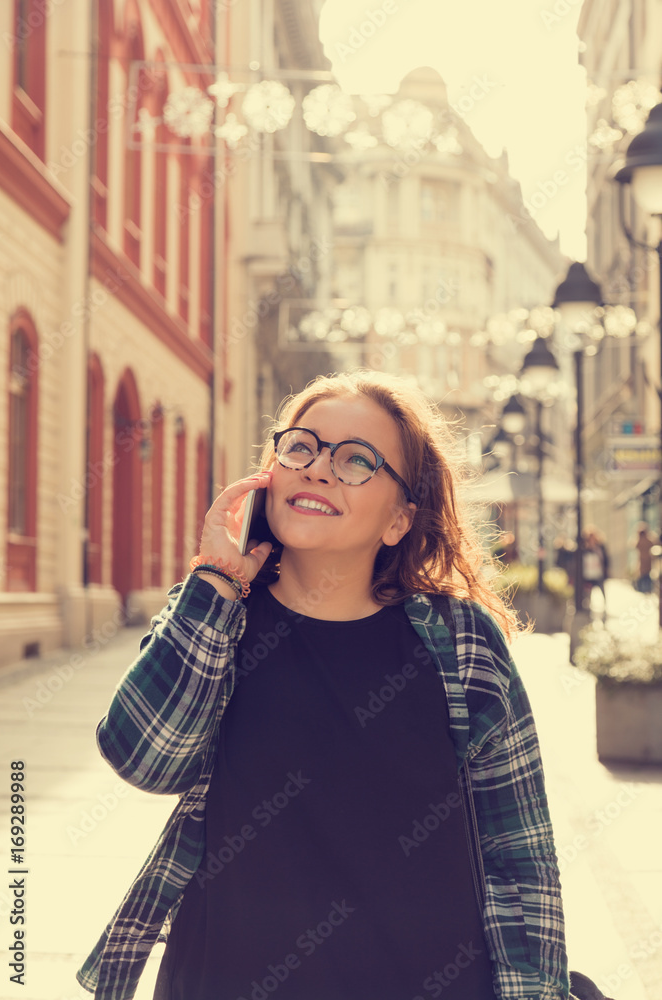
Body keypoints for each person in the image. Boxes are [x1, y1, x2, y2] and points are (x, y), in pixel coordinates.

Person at [77, 370, 570, 1000]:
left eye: (356, 459)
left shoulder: (460, 641)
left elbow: (521, 850)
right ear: (271, 473)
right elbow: (143, 760)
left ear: (398, 520)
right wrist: (218, 581)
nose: (317, 468)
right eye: (302, 447)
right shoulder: (216, 616)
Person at [633, 522, 657, 593]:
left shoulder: (639, 541)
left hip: (642, 561)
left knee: (642, 576)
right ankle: (648, 589)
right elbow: (654, 543)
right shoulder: (648, 539)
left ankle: (643, 590)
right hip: (648, 561)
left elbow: (634, 546)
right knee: (647, 576)